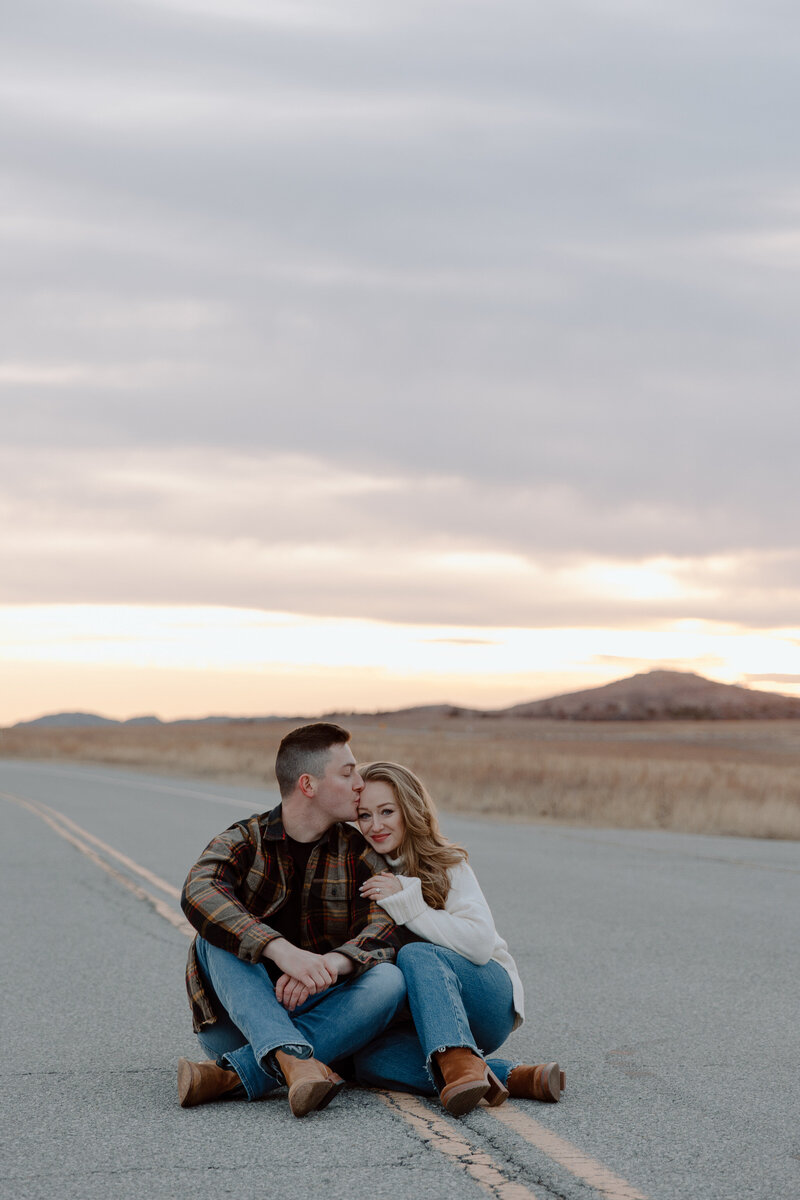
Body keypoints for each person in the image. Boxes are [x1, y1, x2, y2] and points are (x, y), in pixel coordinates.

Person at [177, 723, 407, 1118]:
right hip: (239, 1026)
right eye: (347, 772)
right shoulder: (246, 840)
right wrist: (281, 952)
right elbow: (198, 890)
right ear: (308, 784)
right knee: (212, 937)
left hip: (322, 1013)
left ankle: (244, 1072)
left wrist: (330, 964)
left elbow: (383, 929)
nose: (360, 782)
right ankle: (292, 1058)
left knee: (389, 980)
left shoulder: (356, 851)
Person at [350, 761, 564, 1116]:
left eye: (387, 811)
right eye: (364, 815)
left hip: (485, 1001)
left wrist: (409, 904)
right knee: (371, 1063)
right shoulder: (359, 871)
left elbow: (480, 944)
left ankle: (460, 1058)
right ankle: (513, 1077)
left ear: (409, 810)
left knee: (418, 955)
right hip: (423, 1021)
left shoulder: (446, 863)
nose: (376, 825)